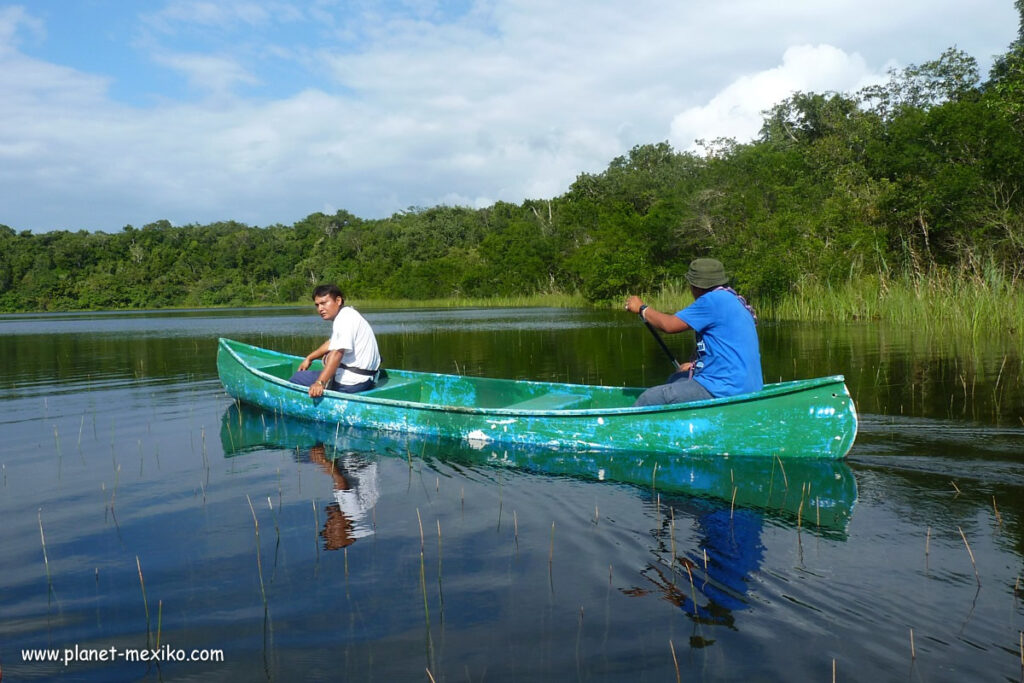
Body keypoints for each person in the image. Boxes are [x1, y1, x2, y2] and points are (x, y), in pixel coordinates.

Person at [624, 258, 762, 407]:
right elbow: (723, 346)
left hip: (725, 388)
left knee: (650, 398)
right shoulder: (733, 299)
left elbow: (668, 325)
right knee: (676, 379)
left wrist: (641, 308)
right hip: (748, 385)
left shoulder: (712, 300)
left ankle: (626, 428)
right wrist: (696, 365)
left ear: (695, 287)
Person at [289, 284, 381, 397]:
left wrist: (320, 383)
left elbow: (337, 353)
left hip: (352, 383)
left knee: (297, 377)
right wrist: (309, 358)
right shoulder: (348, 314)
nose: (320, 309)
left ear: (338, 300)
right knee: (328, 357)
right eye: (317, 305)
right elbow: (331, 342)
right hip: (368, 379)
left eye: (324, 303)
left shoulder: (343, 319)